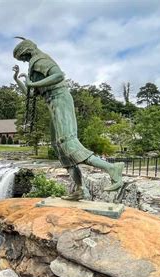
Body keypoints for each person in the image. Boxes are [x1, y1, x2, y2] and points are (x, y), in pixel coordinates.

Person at [12, 38, 123, 200]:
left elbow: (58, 75)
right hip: (52, 105)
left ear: (26, 51)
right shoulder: (34, 65)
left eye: (22, 58)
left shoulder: (40, 60)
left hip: (60, 100)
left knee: (68, 142)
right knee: (60, 148)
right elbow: (31, 93)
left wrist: (33, 84)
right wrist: (17, 80)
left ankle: (112, 168)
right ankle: (80, 190)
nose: (23, 61)